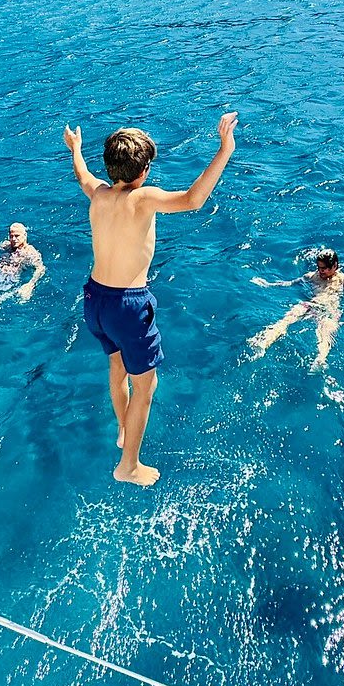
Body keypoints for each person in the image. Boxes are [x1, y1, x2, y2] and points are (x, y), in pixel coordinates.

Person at [64, 112, 239, 487]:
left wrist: (76, 148)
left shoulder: (99, 193)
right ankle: (128, 465)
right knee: (145, 387)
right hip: (128, 306)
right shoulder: (143, 198)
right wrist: (225, 149)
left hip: (95, 299)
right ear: (144, 170)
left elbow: (82, 174)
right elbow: (193, 199)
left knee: (117, 367)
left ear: (110, 166)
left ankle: (123, 429)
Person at [249, 247, 344, 368]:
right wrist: (268, 284)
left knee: (324, 334)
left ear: (335, 266)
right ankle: (264, 342)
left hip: (329, 311)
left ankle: (320, 360)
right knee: (286, 319)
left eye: (325, 268)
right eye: (319, 267)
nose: (321, 271)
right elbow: (290, 283)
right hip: (310, 305)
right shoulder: (311, 276)